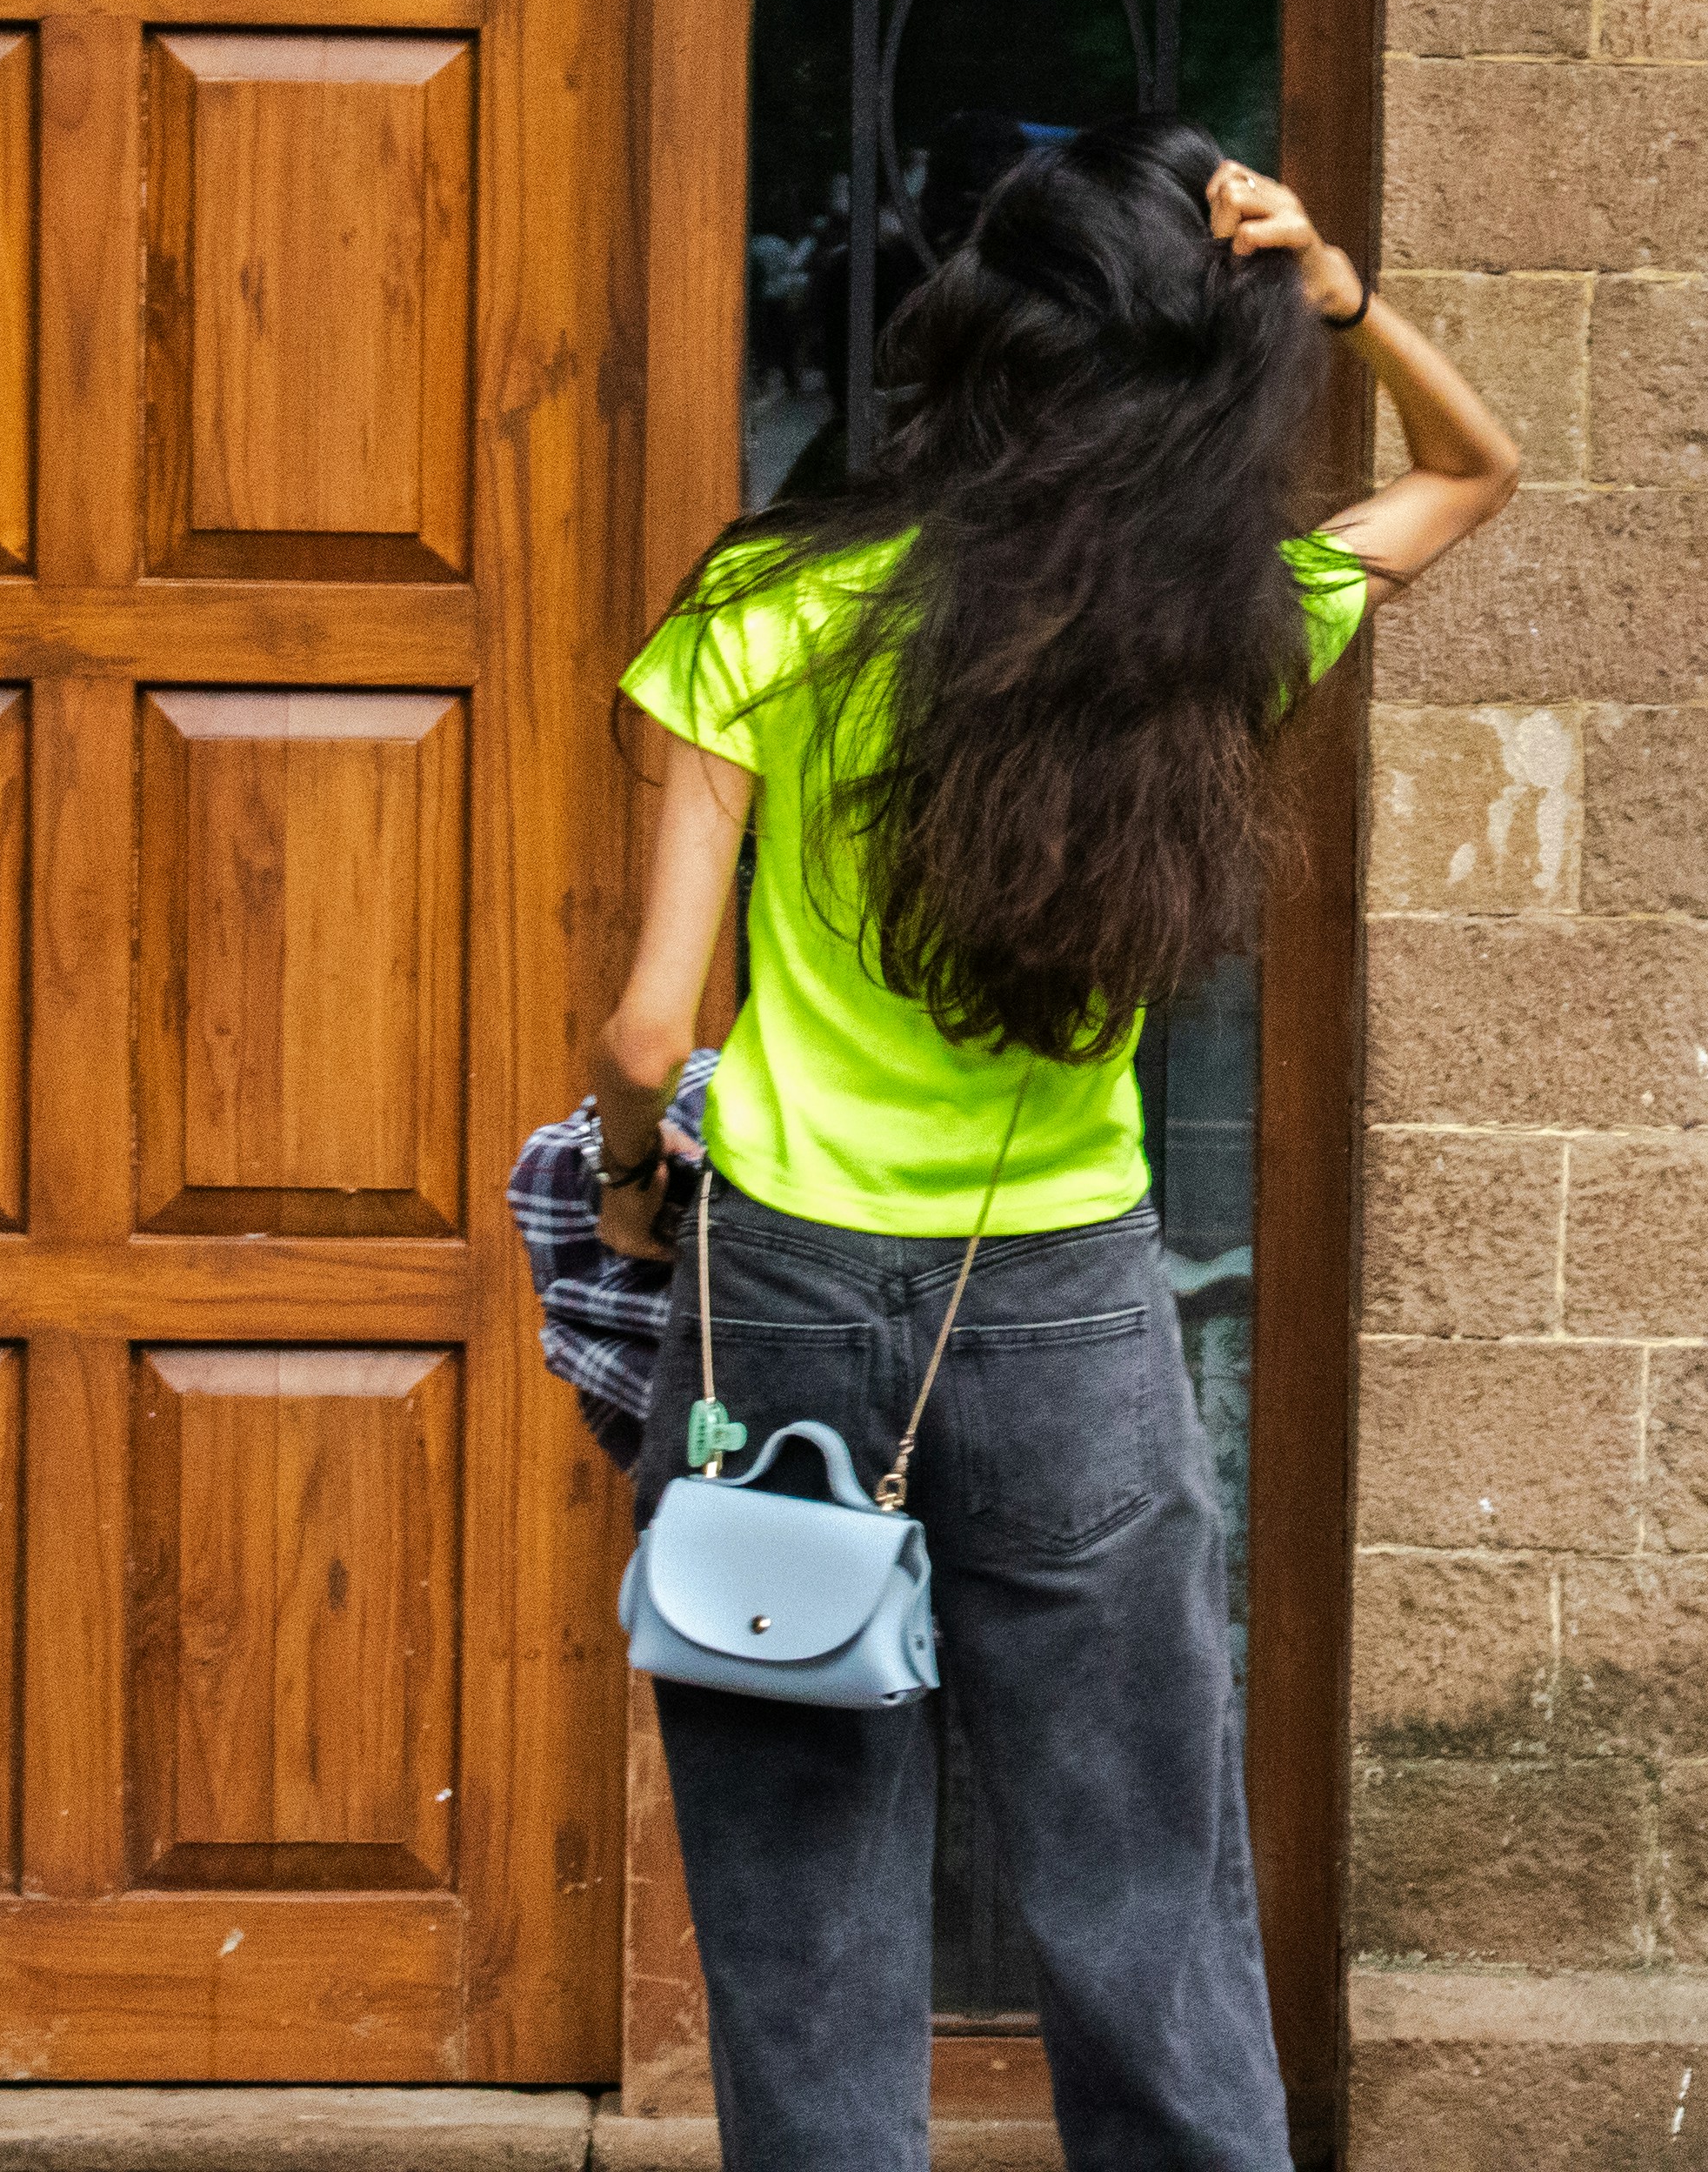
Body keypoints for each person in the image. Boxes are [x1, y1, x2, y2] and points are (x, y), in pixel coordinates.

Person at [586, 122, 1519, 2172]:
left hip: (785, 1311)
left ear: (974, 329)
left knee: (803, 1908)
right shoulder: (1218, 627)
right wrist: (1338, 290)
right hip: (1069, 1306)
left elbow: (654, 1024)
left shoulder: (774, 600)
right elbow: (1474, 472)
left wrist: (638, 1185)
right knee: (1141, 1877)